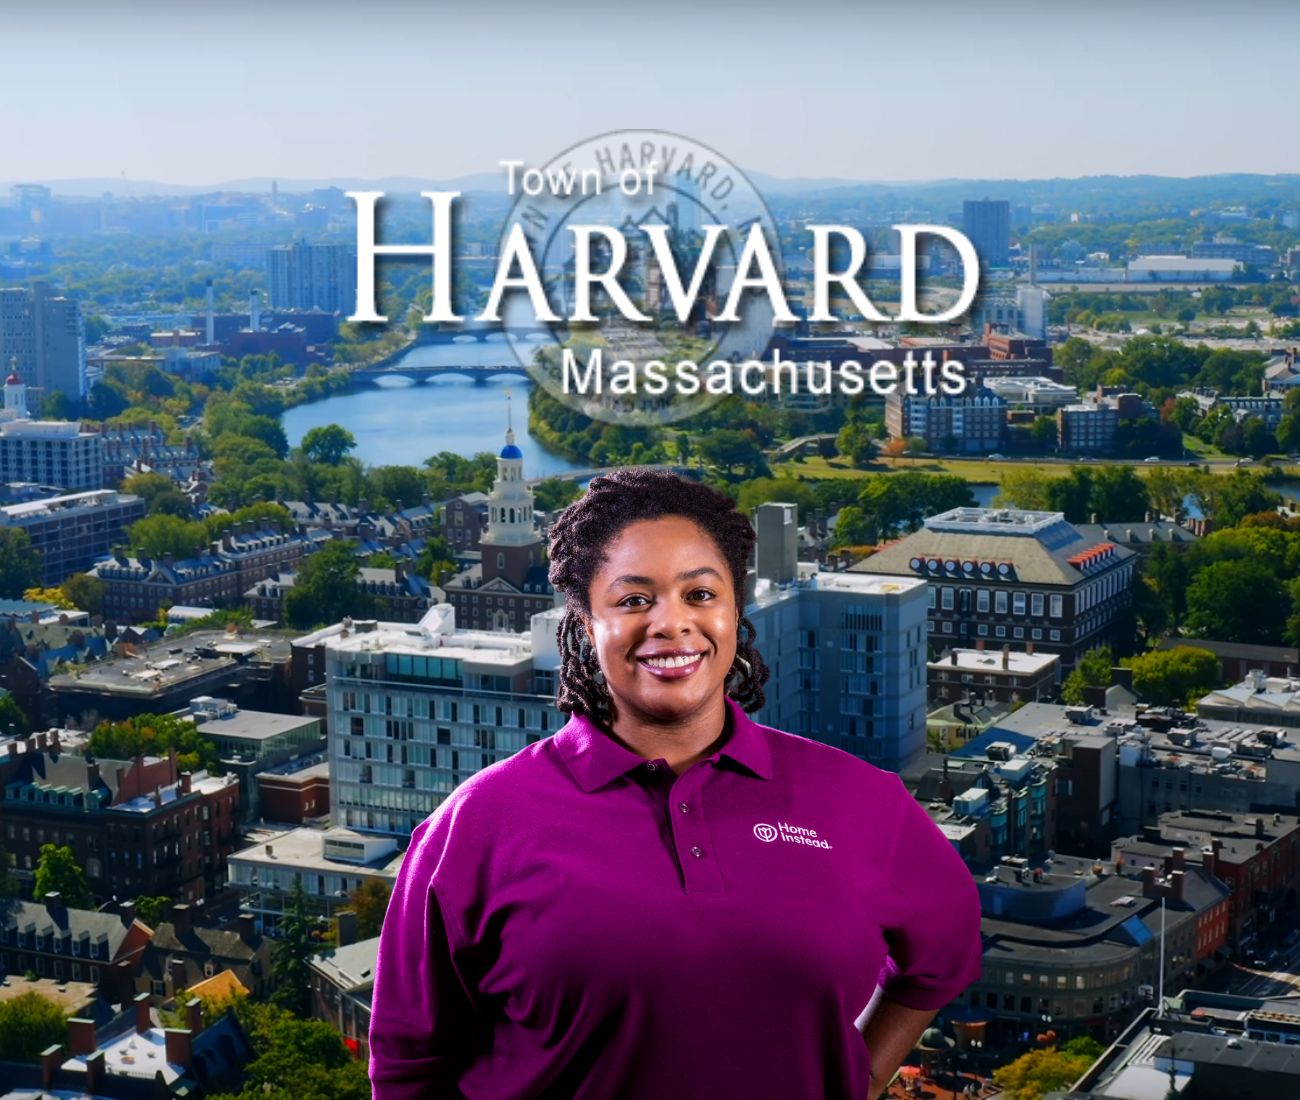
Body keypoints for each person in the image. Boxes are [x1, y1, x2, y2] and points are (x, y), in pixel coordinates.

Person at [369, 469, 982, 1100]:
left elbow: (945, 951)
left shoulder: (858, 800)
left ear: (734, 610)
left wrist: (859, 1076)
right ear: (583, 624)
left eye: (700, 594)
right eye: (634, 600)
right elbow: (411, 1063)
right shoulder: (476, 826)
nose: (671, 623)